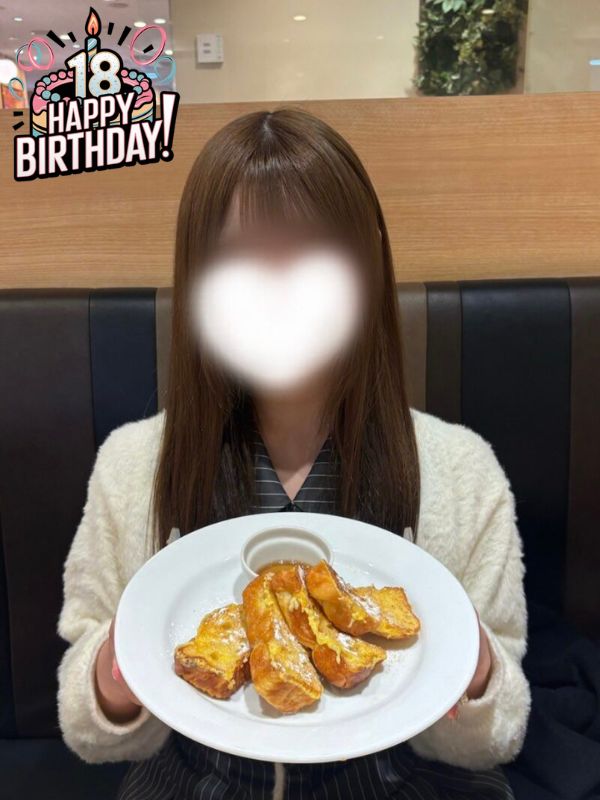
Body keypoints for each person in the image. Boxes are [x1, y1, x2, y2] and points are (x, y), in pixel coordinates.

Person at [57, 108, 530, 799]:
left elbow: (495, 737)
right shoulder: (133, 464)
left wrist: (471, 666)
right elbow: (89, 728)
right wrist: (117, 675)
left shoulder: (459, 470)